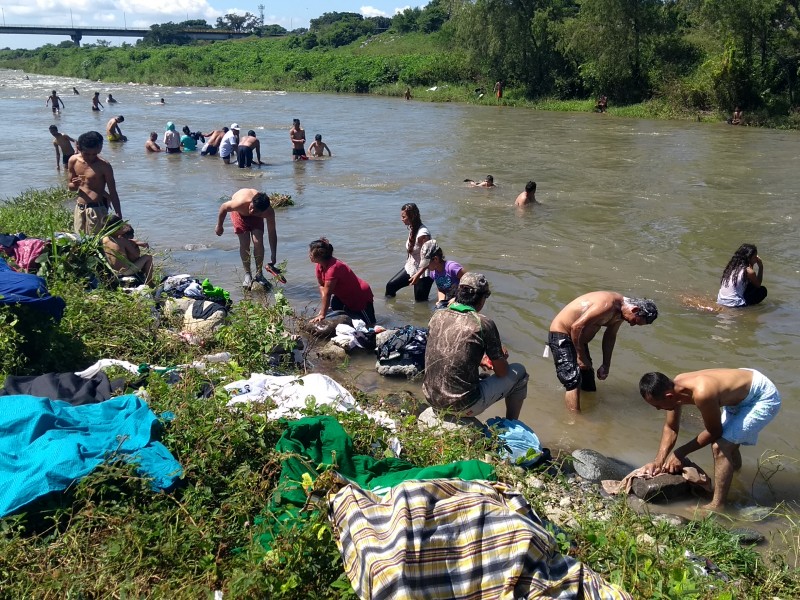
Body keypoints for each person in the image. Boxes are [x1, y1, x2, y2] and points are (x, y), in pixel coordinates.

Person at [639, 368, 781, 510]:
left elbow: (714, 431)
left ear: (669, 396)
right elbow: (671, 427)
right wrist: (658, 461)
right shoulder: (674, 390)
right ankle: (736, 477)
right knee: (729, 442)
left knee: (720, 446)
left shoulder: (702, 394)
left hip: (762, 396)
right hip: (739, 391)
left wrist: (680, 453)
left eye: (657, 406)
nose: (658, 409)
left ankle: (717, 505)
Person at [423, 273, 528, 419]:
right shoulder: (483, 323)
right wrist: (501, 358)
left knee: (483, 376)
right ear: (481, 299)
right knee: (520, 372)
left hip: (431, 398)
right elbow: (502, 372)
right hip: (463, 406)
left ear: (459, 293)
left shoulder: (437, 315)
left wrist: (480, 359)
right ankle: (511, 423)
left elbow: (442, 349)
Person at [548, 292, 658, 412]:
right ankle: (575, 421)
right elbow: (577, 327)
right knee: (573, 379)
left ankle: (588, 409)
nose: (631, 324)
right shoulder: (607, 304)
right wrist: (580, 357)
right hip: (562, 334)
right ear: (635, 309)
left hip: (579, 341)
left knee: (588, 380)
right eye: (635, 321)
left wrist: (606, 365)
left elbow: (610, 336)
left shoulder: (622, 313)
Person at [214, 188, 281, 289]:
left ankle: (259, 274)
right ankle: (247, 274)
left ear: (263, 211)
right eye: (251, 207)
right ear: (251, 202)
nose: (252, 211)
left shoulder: (268, 212)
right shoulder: (240, 203)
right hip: (239, 213)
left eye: (256, 211)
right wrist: (219, 225)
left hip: (256, 217)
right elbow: (224, 207)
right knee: (245, 242)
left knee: (258, 241)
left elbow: (272, 232)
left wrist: (273, 254)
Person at [308, 238, 375, 326]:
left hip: (359, 295)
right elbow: (322, 286)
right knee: (337, 314)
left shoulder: (333, 268)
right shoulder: (320, 266)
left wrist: (322, 314)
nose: (309, 255)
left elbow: (328, 294)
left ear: (320, 255)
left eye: (311, 253)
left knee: (370, 324)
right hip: (341, 296)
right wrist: (324, 308)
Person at [67, 130, 121, 235]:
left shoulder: (104, 166)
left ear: (99, 149)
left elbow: (113, 192)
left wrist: (118, 213)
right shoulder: (73, 161)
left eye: (95, 154)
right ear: (79, 148)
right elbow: (70, 187)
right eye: (87, 154)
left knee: (98, 242)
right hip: (80, 208)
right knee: (79, 241)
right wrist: (75, 184)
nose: (91, 157)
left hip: (98, 209)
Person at [385, 202, 433, 301]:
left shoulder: (423, 234)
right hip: (411, 267)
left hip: (424, 273)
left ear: (412, 216)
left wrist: (418, 275)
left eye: (403, 217)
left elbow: (429, 257)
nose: (401, 219)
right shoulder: (412, 227)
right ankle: (389, 311)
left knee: (420, 303)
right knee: (390, 286)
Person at [410, 240, 465, 309]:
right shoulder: (433, 272)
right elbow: (441, 289)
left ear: (435, 259)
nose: (425, 266)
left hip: (463, 298)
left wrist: (456, 298)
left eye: (427, 264)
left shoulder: (452, 268)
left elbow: (470, 284)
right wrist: (440, 301)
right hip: (451, 299)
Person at [102, 215, 154, 285]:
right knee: (148, 257)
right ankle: (149, 283)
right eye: (121, 226)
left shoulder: (103, 239)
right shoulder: (123, 241)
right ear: (117, 228)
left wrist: (133, 241)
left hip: (112, 271)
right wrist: (135, 244)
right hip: (125, 271)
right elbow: (136, 255)